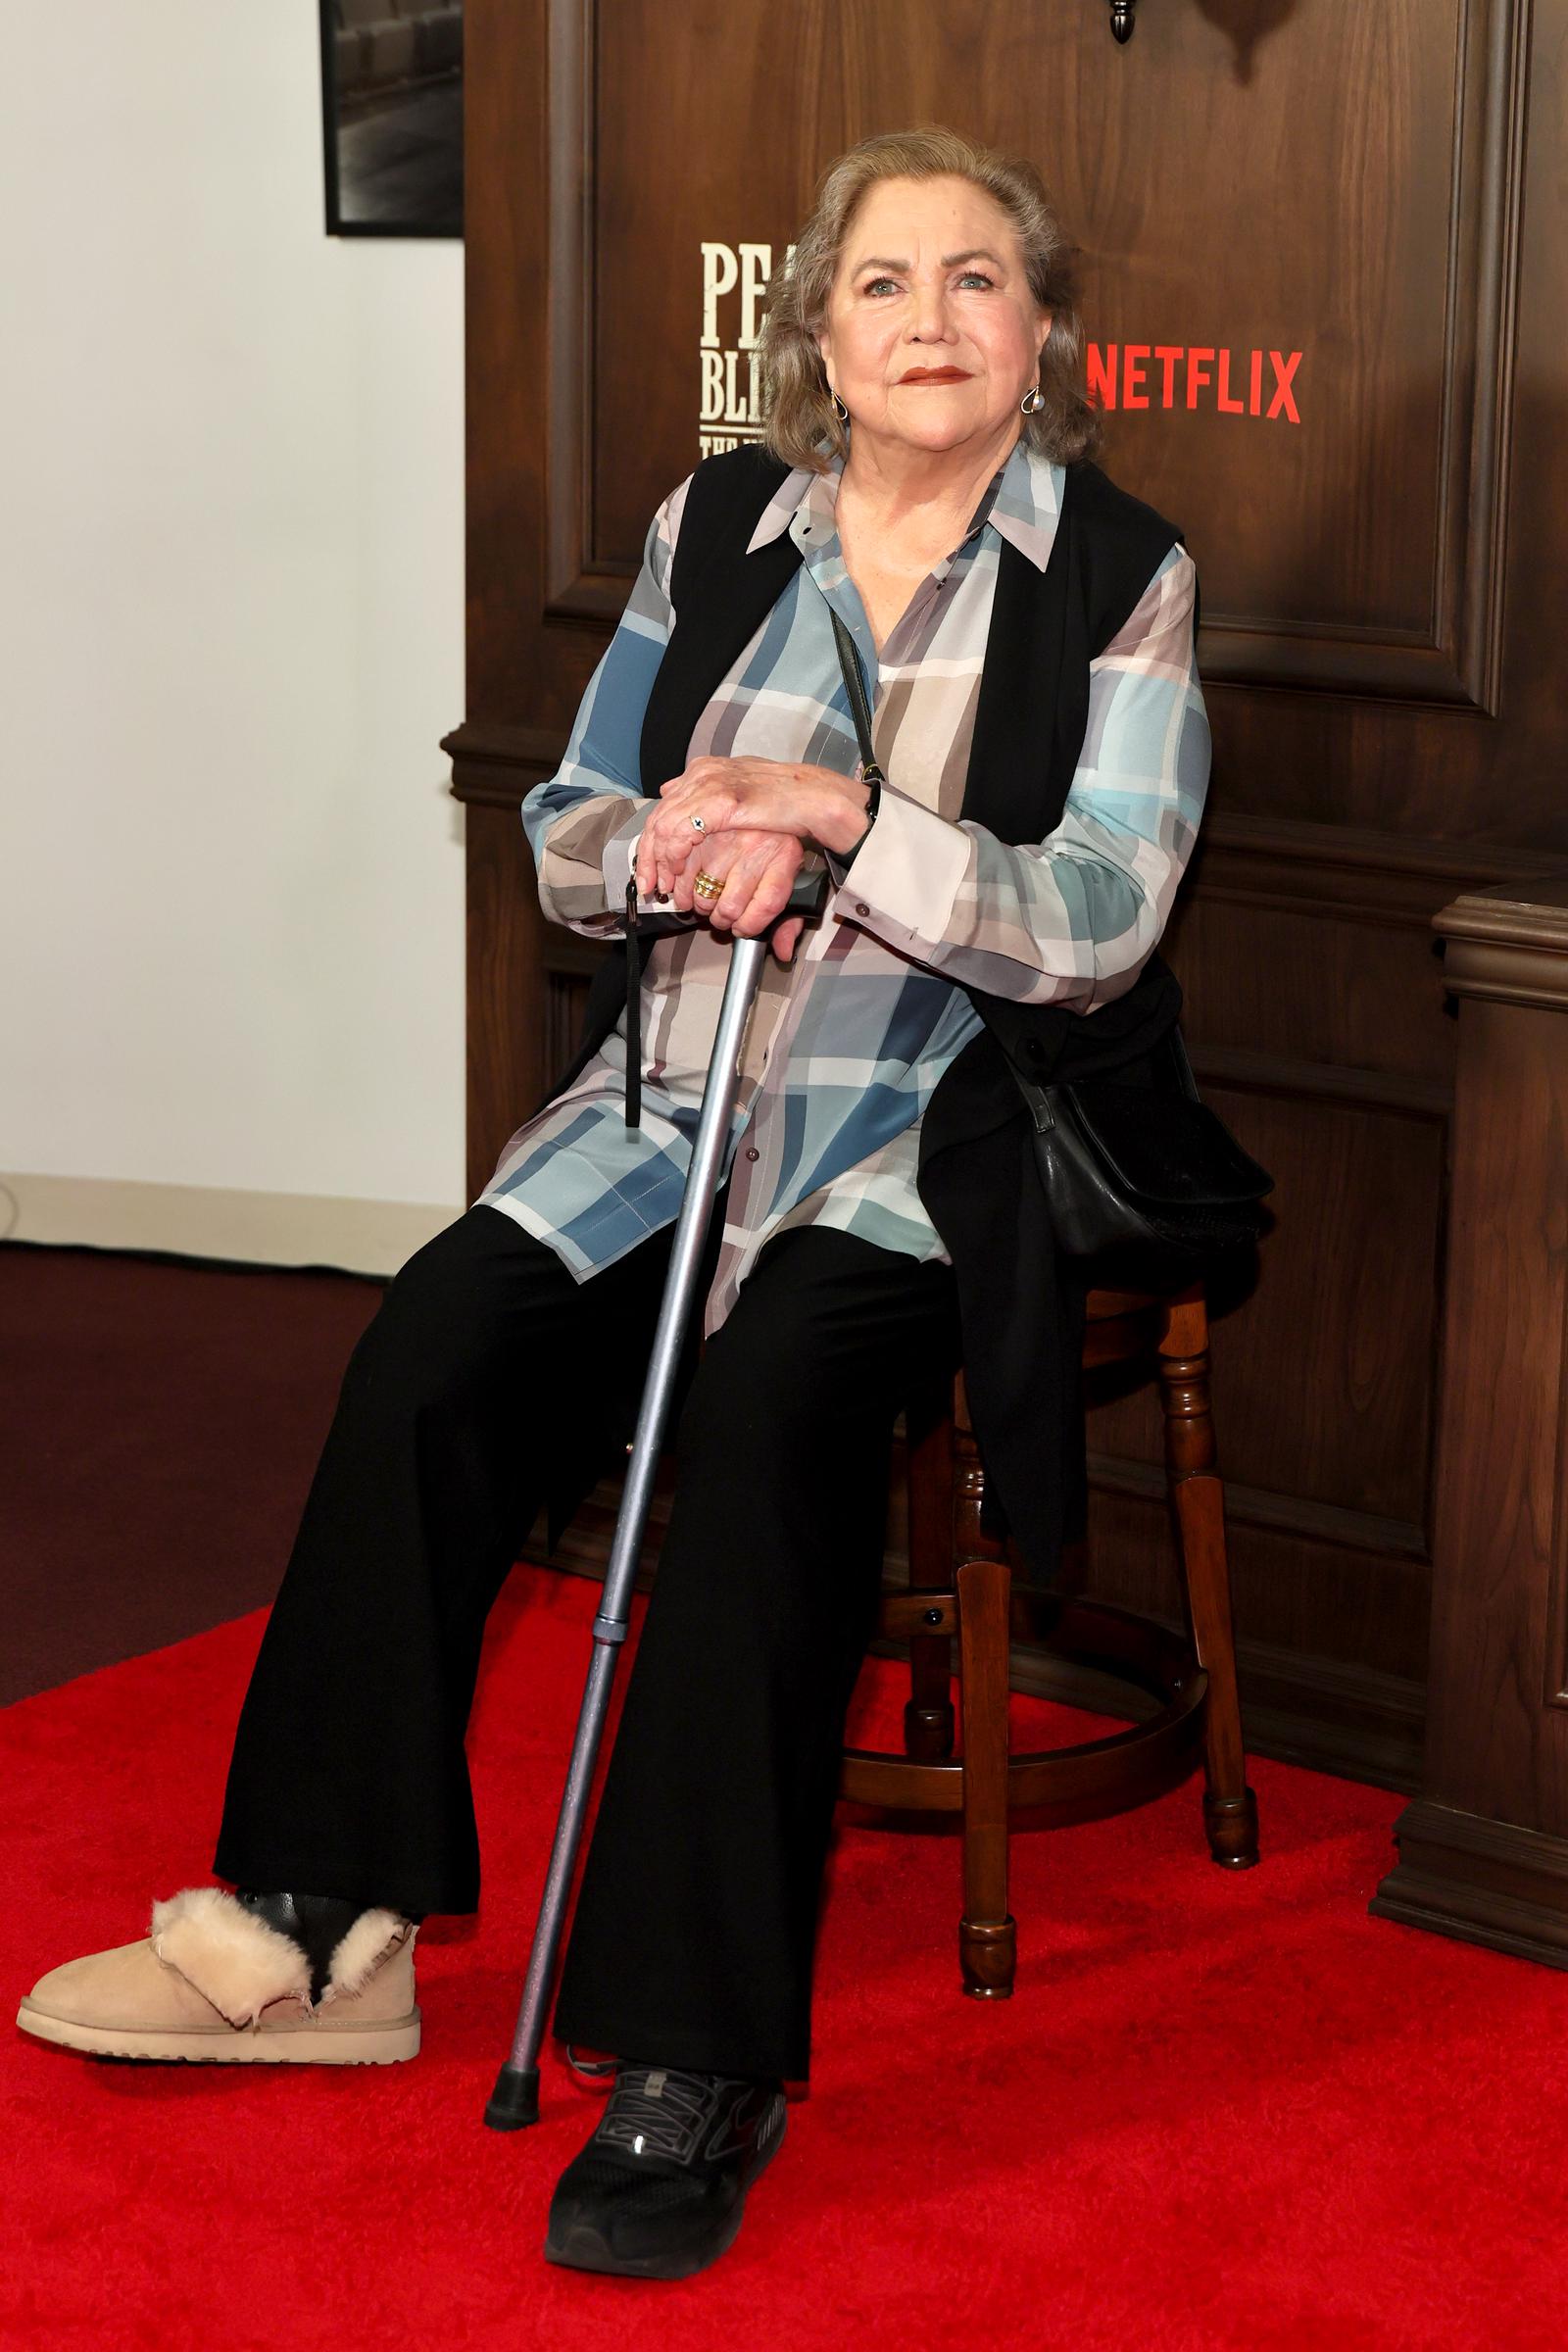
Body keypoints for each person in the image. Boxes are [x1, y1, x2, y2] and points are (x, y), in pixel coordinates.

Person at [17, 125, 1211, 2281]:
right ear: (813, 335)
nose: (924, 322)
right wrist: (674, 843)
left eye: (971, 283)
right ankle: (322, 1915)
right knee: (427, 1350)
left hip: (911, 1156)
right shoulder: (719, 527)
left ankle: (688, 2050)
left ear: (1042, 336)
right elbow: (567, 824)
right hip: (659, 1111)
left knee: (762, 1437)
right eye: (877, 286)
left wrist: (844, 824)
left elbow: (1099, 916)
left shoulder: (1116, 574)